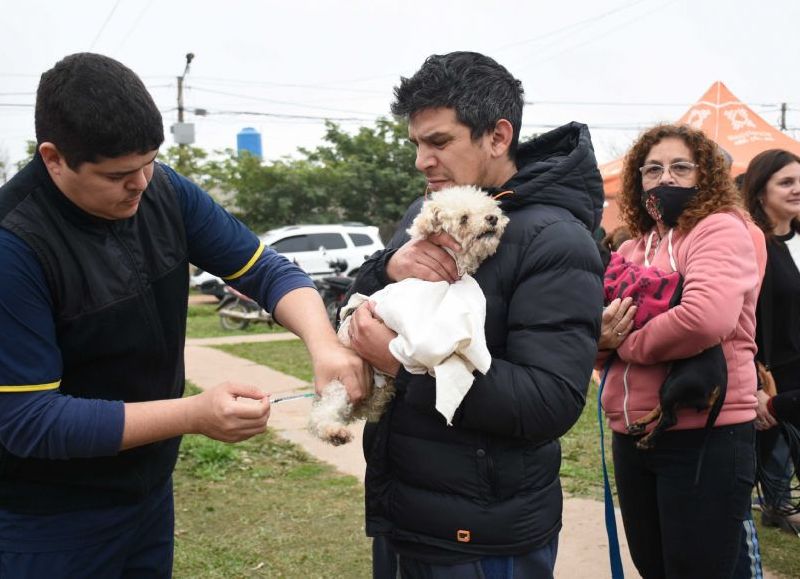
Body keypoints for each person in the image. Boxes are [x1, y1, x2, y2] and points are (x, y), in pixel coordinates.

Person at [0, 53, 368, 578]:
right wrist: (192, 415)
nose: (140, 184)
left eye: (149, 162)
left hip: (148, 496)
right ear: (54, 158)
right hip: (48, 521)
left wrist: (324, 344)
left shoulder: (165, 191)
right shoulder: (14, 247)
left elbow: (268, 271)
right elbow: (29, 420)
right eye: (118, 175)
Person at [345, 51, 605, 578]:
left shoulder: (555, 239)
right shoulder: (424, 213)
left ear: (498, 136)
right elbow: (356, 306)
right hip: (405, 512)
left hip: (485, 535)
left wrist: (400, 367)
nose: (422, 161)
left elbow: (548, 402)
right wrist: (387, 267)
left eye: (439, 142)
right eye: (416, 144)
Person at [597, 124, 763, 579]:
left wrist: (623, 344)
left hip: (703, 431)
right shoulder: (630, 247)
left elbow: (705, 317)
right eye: (652, 169)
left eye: (680, 167)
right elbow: (596, 327)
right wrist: (600, 341)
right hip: (632, 432)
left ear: (705, 175)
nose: (665, 178)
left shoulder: (719, 228)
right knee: (653, 567)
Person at [741, 148, 800, 531]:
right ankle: (776, 505)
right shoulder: (751, 244)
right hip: (770, 371)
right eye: (786, 182)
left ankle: (779, 504)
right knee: (769, 451)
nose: (797, 189)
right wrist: (755, 384)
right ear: (761, 191)